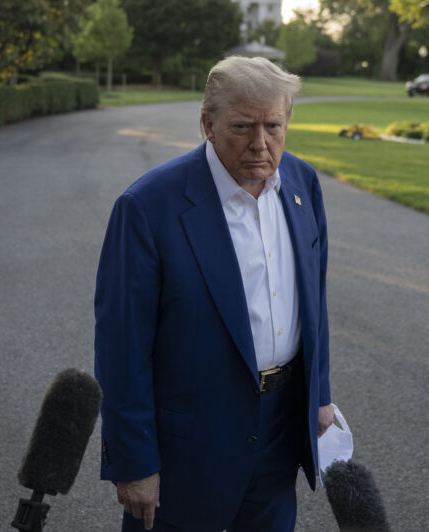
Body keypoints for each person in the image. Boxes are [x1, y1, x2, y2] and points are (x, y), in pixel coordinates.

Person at [94, 56, 334, 531]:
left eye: (274, 126)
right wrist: (134, 459)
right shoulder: (147, 207)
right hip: (188, 443)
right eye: (242, 127)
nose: (260, 144)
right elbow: (122, 346)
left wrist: (319, 394)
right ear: (207, 123)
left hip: (282, 427)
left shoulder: (302, 184)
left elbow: (314, 299)